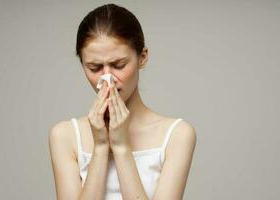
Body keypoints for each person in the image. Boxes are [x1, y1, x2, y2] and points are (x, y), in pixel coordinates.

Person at [49, 3, 197, 200]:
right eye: (94, 68)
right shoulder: (65, 135)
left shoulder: (177, 134)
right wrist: (101, 147)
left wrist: (121, 147)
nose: (107, 78)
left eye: (119, 65)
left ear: (142, 57)